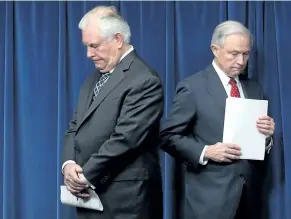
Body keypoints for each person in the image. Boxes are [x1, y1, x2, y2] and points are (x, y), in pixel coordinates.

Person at [159, 20, 275, 219]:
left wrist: (266, 137)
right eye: (234, 53)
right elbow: (167, 136)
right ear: (215, 49)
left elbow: (257, 145)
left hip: (250, 200)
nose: (240, 61)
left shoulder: (255, 89)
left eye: (246, 54)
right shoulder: (193, 87)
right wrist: (207, 151)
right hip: (208, 202)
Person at [61, 6, 164, 219]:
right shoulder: (94, 78)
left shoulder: (144, 79)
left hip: (127, 203)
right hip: (89, 198)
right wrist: (68, 164)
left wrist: (84, 176)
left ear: (117, 39)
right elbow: (75, 126)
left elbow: (126, 139)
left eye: (94, 46)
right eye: (86, 46)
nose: (88, 54)